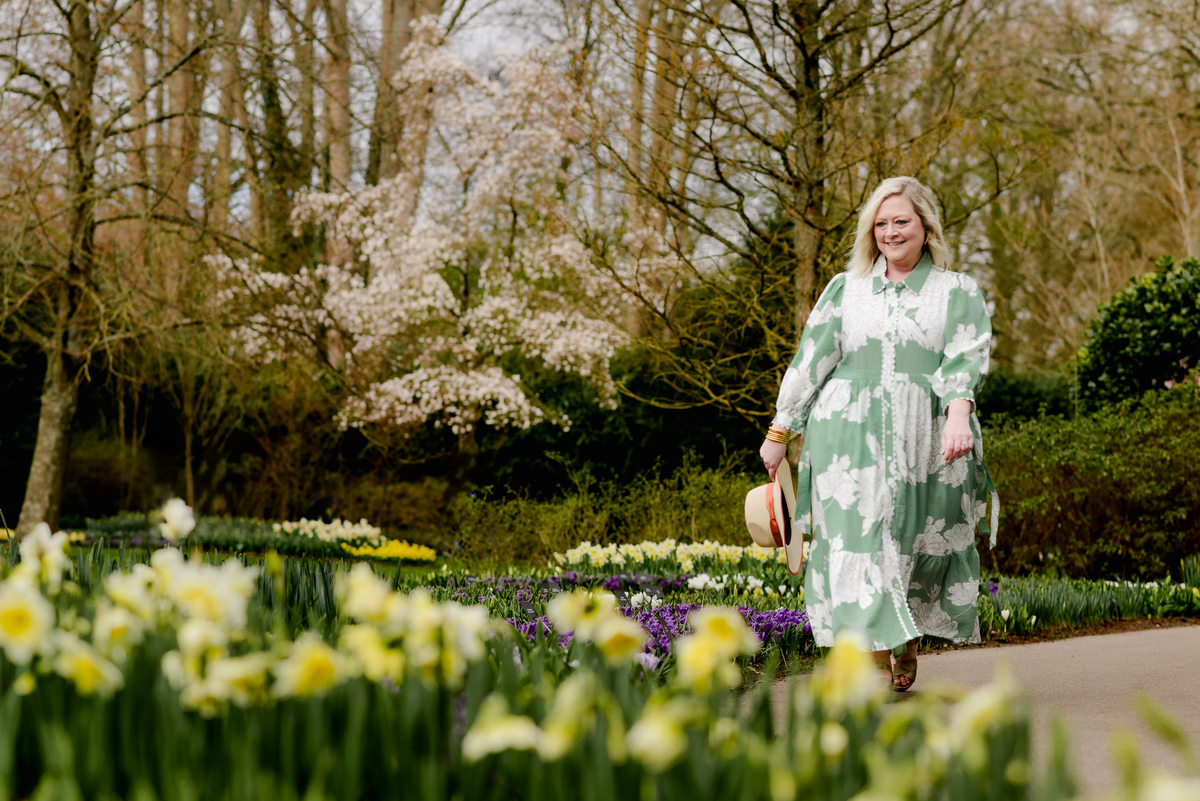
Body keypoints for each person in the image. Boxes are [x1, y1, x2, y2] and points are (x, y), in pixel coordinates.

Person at [759, 176, 998, 691]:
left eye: (902, 221)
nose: (891, 231)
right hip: (846, 436)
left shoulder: (956, 291)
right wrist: (780, 429)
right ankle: (865, 663)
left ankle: (903, 639)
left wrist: (959, 414)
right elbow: (813, 358)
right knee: (857, 542)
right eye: (882, 223)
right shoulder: (846, 290)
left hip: (926, 435)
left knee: (910, 540)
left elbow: (966, 356)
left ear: (925, 228)